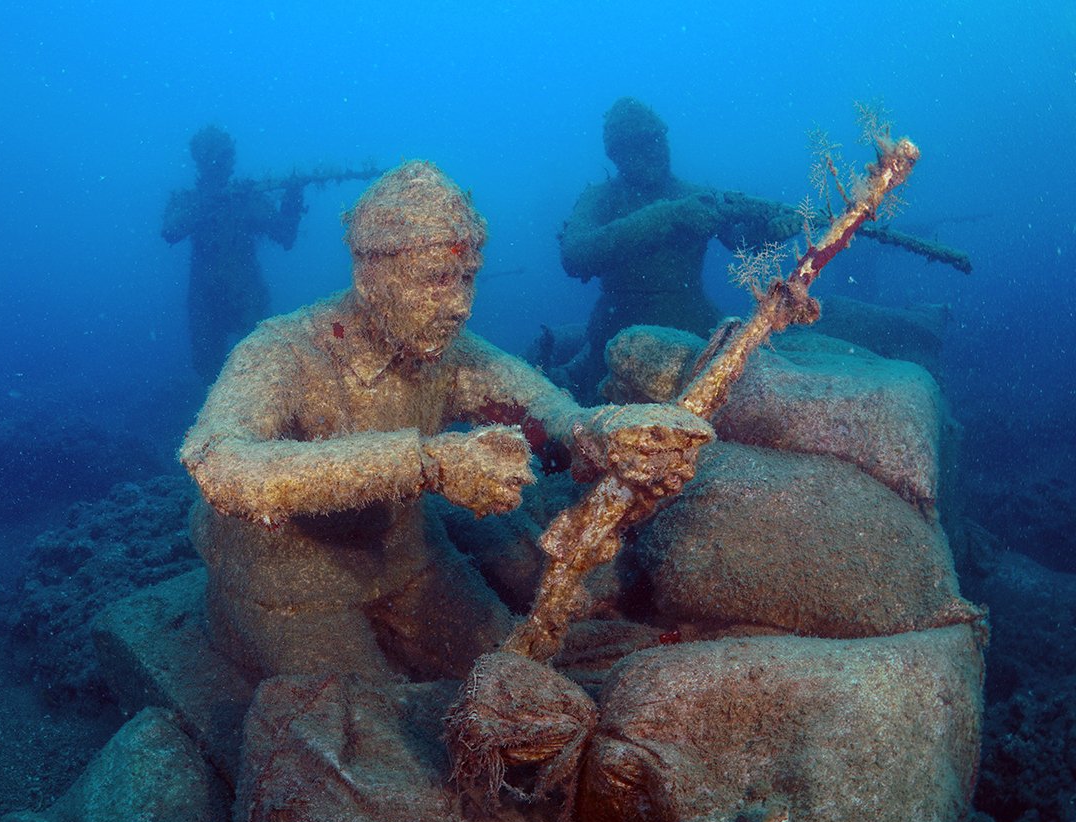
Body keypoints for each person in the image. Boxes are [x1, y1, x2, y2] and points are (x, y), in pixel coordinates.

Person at [180, 160, 703, 684]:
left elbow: (552, 415)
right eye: (435, 278)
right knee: (362, 717)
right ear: (370, 278)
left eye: (467, 277)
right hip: (287, 577)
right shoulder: (281, 353)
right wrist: (427, 464)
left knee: (510, 672)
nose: (460, 307)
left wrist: (607, 433)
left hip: (407, 558)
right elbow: (219, 462)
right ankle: (232, 621)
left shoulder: (453, 356)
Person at [556, 97, 802, 399]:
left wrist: (770, 233)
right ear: (616, 155)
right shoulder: (602, 198)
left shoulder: (695, 196)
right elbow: (575, 255)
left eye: (657, 138)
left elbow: (737, 239)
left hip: (695, 329)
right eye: (639, 143)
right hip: (616, 330)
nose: (653, 149)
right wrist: (667, 216)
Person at [162, 125, 306, 382]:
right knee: (208, 369)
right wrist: (207, 201)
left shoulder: (243, 198)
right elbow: (171, 230)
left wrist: (293, 197)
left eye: (228, 155)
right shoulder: (190, 200)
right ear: (203, 159)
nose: (226, 162)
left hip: (246, 294)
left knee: (264, 365)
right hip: (207, 299)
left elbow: (285, 235)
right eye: (219, 156)